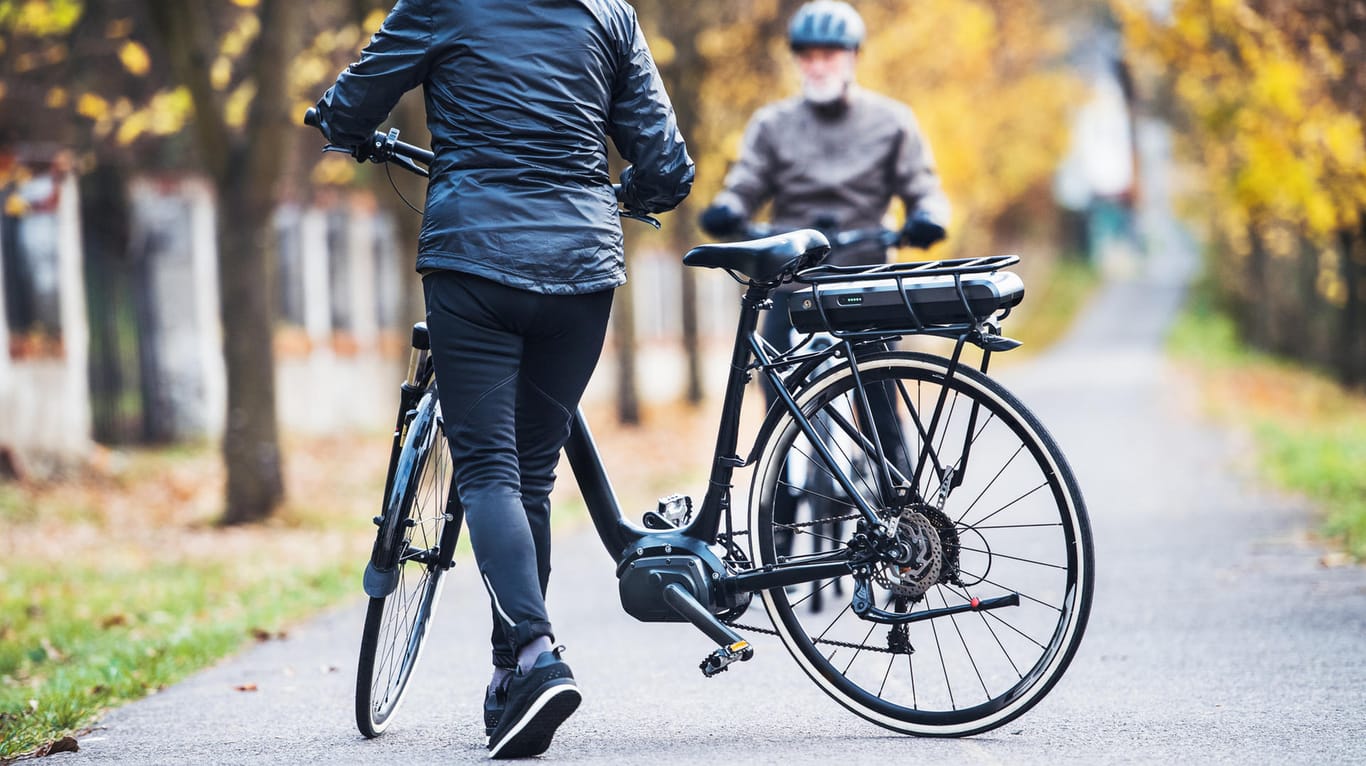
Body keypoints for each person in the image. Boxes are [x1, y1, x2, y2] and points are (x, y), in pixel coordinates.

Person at [313, 0, 693, 758]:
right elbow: (665, 164)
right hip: (582, 270)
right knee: (532, 477)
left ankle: (536, 656)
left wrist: (346, 130)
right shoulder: (610, 15)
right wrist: (634, 197)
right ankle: (510, 680)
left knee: (487, 470)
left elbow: (355, 100)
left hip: (475, 262)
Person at [699, 0, 951, 359]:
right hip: (792, 283)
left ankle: (882, 416)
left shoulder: (893, 121)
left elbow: (924, 188)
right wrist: (727, 209)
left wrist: (928, 218)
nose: (817, 66)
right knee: (778, 396)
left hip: (867, 280)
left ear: (854, 57)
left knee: (880, 401)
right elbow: (746, 183)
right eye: (808, 56)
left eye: (829, 55)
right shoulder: (771, 125)